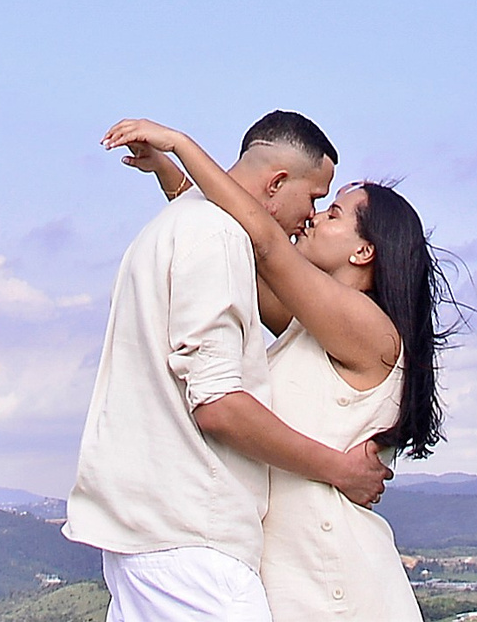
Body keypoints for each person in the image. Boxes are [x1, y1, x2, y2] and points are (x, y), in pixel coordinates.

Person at [103, 116, 452, 622]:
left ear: (364, 250)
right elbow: (243, 247)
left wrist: (182, 145)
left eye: (331, 213)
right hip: (298, 578)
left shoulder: (372, 333)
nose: (312, 218)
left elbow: (265, 245)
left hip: (337, 586)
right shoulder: (307, 327)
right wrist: (173, 179)